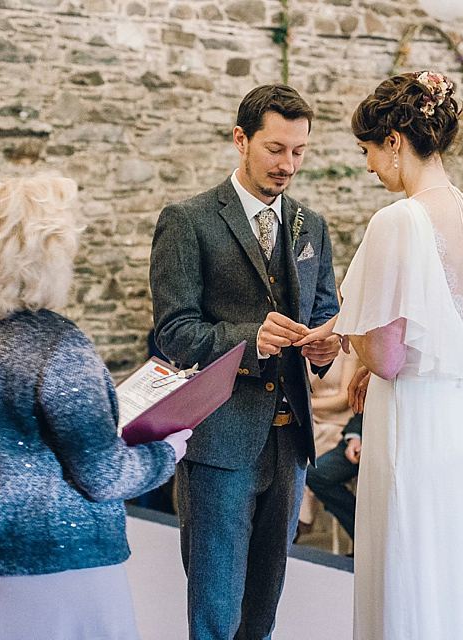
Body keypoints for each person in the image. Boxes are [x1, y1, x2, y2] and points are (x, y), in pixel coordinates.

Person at [0, 176, 189, 639]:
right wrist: (166, 453)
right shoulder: (58, 347)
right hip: (51, 560)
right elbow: (104, 475)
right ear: (45, 256)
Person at [319, 70, 463, 638]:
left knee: (412, 563)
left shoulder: (398, 220)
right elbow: (452, 331)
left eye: (367, 150)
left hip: (413, 421)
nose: (367, 166)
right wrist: (366, 354)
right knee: (461, 564)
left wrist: (348, 339)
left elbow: (387, 358)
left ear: (393, 141)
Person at [149, 84, 341, 640]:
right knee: (215, 605)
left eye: (299, 151)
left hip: (290, 444)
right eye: (275, 149)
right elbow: (175, 333)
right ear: (241, 139)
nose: (288, 165)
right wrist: (250, 338)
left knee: (264, 603)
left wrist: (328, 349)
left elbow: (326, 309)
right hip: (219, 442)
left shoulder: (313, 226)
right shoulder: (188, 221)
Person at [297, 349, 359, 537]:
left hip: (338, 421)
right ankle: (288, 521)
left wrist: (303, 404)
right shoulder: (304, 340)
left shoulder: (350, 344)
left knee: (308, 466)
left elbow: (345, 400)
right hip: (307, 417)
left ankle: (296, 524)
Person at [304, 412, 363, 542]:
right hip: (362, 437)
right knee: (315, 474)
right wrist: (355, 437)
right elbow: (363, 411)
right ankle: (363, 534)